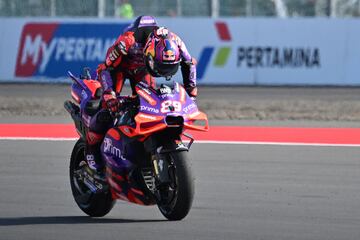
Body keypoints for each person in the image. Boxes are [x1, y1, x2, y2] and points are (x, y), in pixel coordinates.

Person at [86, 15, 198, 178]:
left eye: (168, 69)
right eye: (161, 68)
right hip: (119, 68)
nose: (163, 73)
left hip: (142, 70)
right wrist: (109, 95)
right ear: (149, 53)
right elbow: (106, 69)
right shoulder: (127, 41)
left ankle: (143, 147)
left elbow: (189, 64)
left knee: (149, 105)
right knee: (108, 108)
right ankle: (92, 151)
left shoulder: (176, 41)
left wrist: (191, 93)